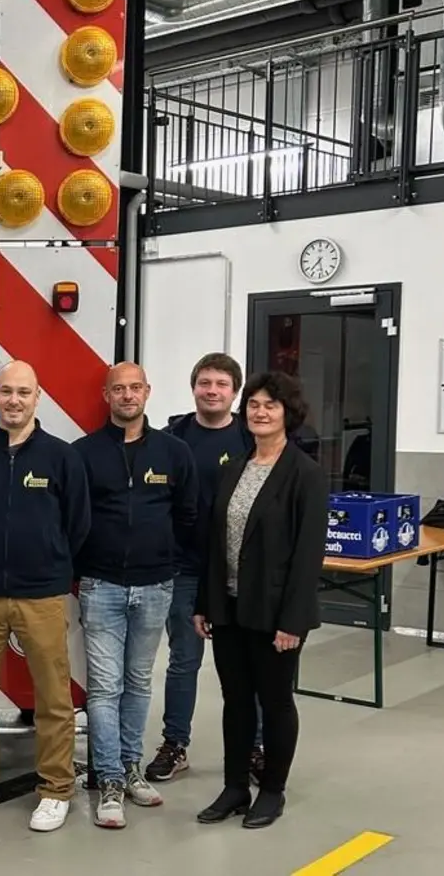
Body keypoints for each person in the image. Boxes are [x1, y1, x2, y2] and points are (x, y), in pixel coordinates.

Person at [0, 360, 90, 834]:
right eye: (6, 391)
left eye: (23, 392)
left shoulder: (62, 458)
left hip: (42, 595)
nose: (14, 400)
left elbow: (78, 525)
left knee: (53, 696)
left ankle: (55, 789)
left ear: (37, 397)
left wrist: (48, 564)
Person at [193, 371, 327, 830]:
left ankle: (271, 790)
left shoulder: (304, 475)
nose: (260, 412)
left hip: (274, 615)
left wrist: (293, 621)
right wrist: (203, 603)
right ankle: (234, 787)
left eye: (270, 405)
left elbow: (308, 556)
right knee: (235, 701)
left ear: (288, 413)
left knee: (275, 702)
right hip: (229, 609)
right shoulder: (236, 468)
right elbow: (216, 543)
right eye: (253, 403)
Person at [70, 362, 198, 827]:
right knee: (105, 688)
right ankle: (107, 780)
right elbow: (72, 518)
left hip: (156, 584)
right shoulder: (82, 453)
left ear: (148, 392)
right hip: (100, 585)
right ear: (106, 395)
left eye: (135, 388)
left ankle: (130, 768)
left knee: (139, 684)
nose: (127, 395)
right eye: (118, 388)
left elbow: (188, 516)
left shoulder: (174, 452)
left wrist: (166, 558)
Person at [147, 352, 261, 785]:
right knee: (183, 662)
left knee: (250, 665)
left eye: (221, 384)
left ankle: (255, 747)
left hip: (239, 572)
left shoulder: (252, 440)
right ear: (194, 387)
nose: (212, 391)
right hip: (185, 570)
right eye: (205, 383)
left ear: (235, 392)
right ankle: (175, 744)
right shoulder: (172, 438)